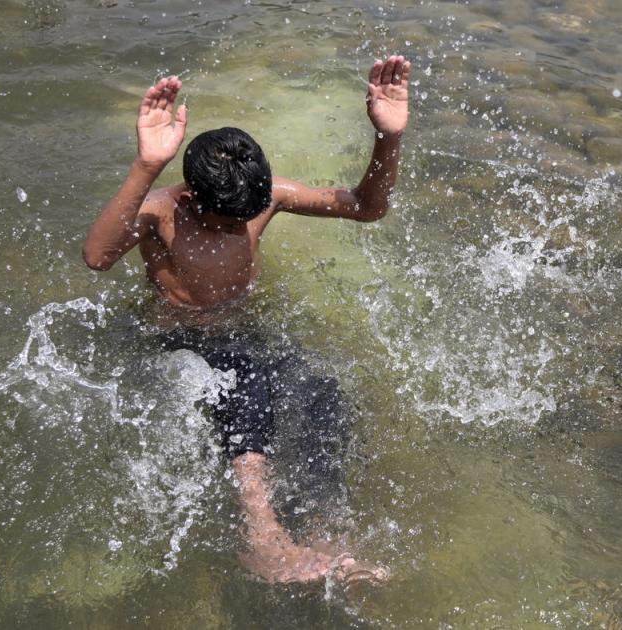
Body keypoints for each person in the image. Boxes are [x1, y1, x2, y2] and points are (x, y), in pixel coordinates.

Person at [82, 55, 411, 585]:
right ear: (191, 197)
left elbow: (366, 208)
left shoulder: (264, 197)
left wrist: (387, 137)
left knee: (325, 387)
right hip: (174, 341)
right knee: (248, 380)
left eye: (247, 219)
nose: (238, 228)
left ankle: (327, 537)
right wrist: (147, 166)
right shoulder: (164, 211)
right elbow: (97, 257)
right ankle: (261, 537)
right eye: (222, 222)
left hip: (242, 329)